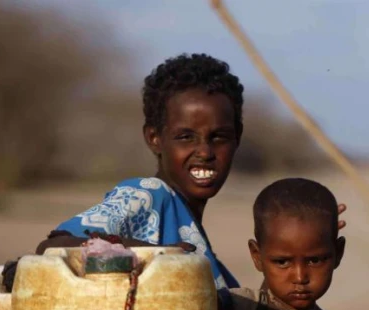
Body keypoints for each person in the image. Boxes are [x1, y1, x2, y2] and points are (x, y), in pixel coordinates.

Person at [33, 53, 347, 289]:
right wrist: (163, 255)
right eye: (186, 137)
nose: (205, 152)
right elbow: (54, 246)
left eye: (219, 137)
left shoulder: (209, 258)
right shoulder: (146, 195)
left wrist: (308, 238)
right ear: (154, 138)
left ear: (237, 138)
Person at [217, 178, 355, 310]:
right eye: (282, 262)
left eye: (314, 260)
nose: (299, 277)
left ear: (338, 253)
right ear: (257, 256)